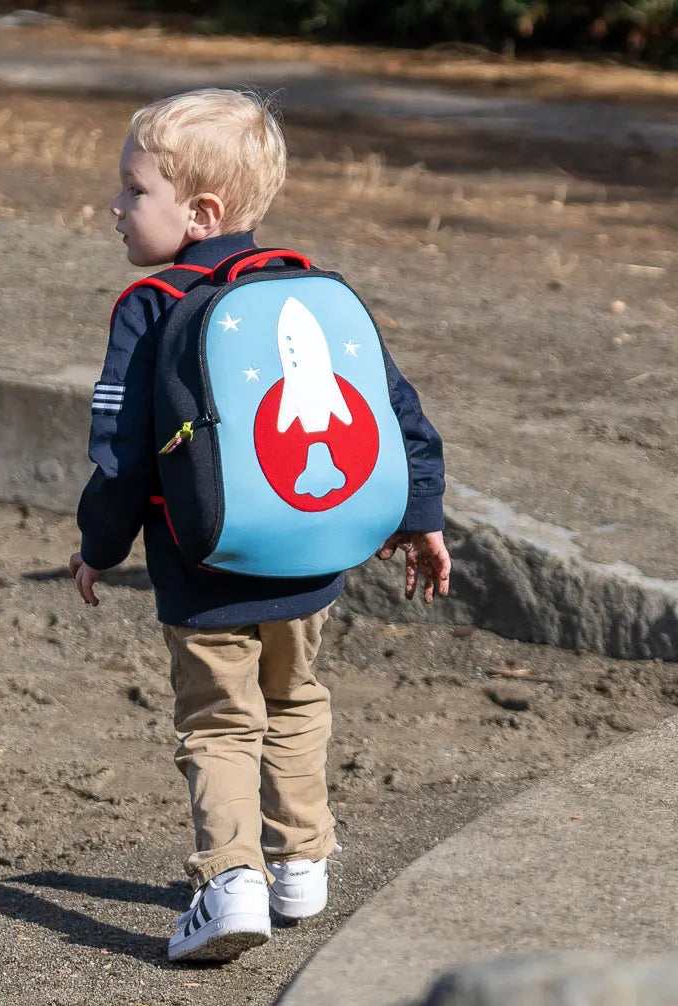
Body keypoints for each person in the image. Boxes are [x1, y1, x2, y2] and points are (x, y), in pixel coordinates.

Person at [68, 88, 450, 964]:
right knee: (296, 698)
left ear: (201, 213)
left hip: (204, 567)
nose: (116, 207)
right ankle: (302, 861)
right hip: (311, 559)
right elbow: (395, 412)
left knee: (218, 722)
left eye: (134, 190)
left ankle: (230, 881)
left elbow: (122, 457)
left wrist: (98, 546)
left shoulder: (151, 304)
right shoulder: (310, 289)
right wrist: (420, 514)